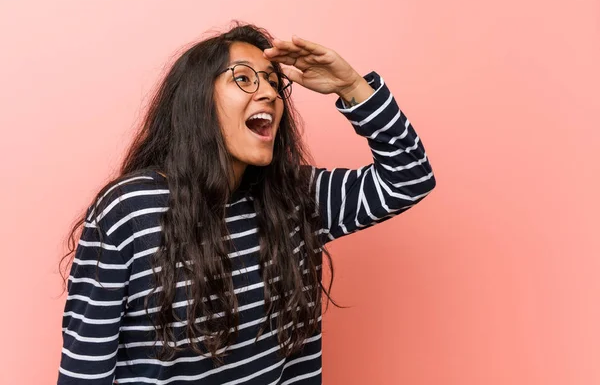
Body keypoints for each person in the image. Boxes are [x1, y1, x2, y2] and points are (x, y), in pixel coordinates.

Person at [58, 22, 436, 384]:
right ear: (197, 101)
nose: (270, 93)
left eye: (274, 81)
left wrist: (352, 85)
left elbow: (410, 177)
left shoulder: (296, 198)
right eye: (243, 78)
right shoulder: (131, 210)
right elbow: (84, 370)